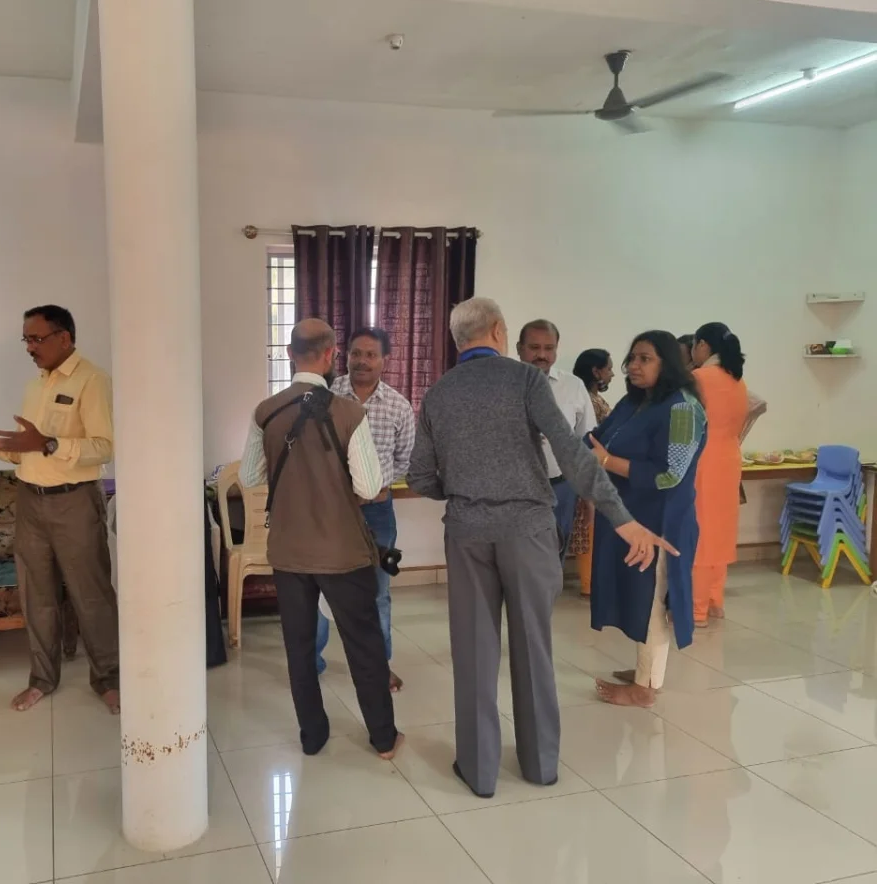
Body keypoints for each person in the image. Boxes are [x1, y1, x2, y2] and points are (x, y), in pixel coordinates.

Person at [408, 297, 673, 799]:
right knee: (533, 647)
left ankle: (479, 770)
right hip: (528, 529)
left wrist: (462, 489)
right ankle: (540, 764)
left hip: (467, 532)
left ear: (459, 339)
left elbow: (420, 474)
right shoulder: (526, 380)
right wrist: (623, 519)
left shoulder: (439, 392)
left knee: (473, 652)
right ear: (498, 331)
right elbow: (573, 455)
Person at [240, 318, 402, 760]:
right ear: (332, 355)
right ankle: (384, 739)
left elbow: (249, 476)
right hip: (342, 552)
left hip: (288, 551)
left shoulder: (265, 412)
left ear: (290, 354)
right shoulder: (350, 413)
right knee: (364, 644)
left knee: (299, 647)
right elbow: (369, 486)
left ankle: (312, 736)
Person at [0, 305, 119, 715]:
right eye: (26, 340)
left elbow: (105, 447)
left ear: (65, 338)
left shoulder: (93, 380)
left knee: (92, 596)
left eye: (37, 339)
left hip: (74, 501)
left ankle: (109, 679)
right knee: (37, 595)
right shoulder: (36, 386)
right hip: (30, 500)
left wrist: (49, 443)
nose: (30, 347)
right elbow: (25, 451)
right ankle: (42, 679)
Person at [587, 330, 707, 708]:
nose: (633, 366)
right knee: (637, 595)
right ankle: (645, 669)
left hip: (661, 522)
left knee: (653, 598)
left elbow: (669, 475)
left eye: (645, 359)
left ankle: (646, 688)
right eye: (632, 358)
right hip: (628, 517)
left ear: (667, 363)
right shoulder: (634, 401)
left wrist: (607, 462)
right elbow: (596, 440)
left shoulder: (683, 409)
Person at [312, 326, 415, 692]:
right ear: (345, 356)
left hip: (376, 513)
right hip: (330, 510)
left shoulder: (398, 406)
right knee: (318, 588)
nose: (362, 361)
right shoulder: (325, 397)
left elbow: (404, 460)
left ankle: (377, 666)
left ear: (385, 360)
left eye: (371, 355)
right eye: (356, 353)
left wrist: (375, 488)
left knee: (377, 592)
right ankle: (311, 661)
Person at [689, 322, 766, 626]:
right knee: (720, 533)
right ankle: (714, 601)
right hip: (729, 461)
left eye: (694, 345)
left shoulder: (699, 378)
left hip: (703, 462)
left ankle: (696, 610)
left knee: (700, 534)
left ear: (703, 346)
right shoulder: (738, 381)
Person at [516, 320, 596, 556]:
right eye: (534, 347)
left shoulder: (573, 386)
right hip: (515, 491)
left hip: (561, 488)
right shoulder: (502, 384)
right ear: (519, 348)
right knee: (517, 559)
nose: (542, 355)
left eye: (549, 348)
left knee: (554, 556)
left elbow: (586, 442)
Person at [568, 349, 615, 597]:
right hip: (590, 471)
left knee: (590, 527)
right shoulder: (589, 401)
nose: (612, 374)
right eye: (609, 368)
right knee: (588, 527)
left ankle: (592, 581)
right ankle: (590, 583)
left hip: (596, 470)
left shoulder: (593, 398)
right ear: (596, 371)